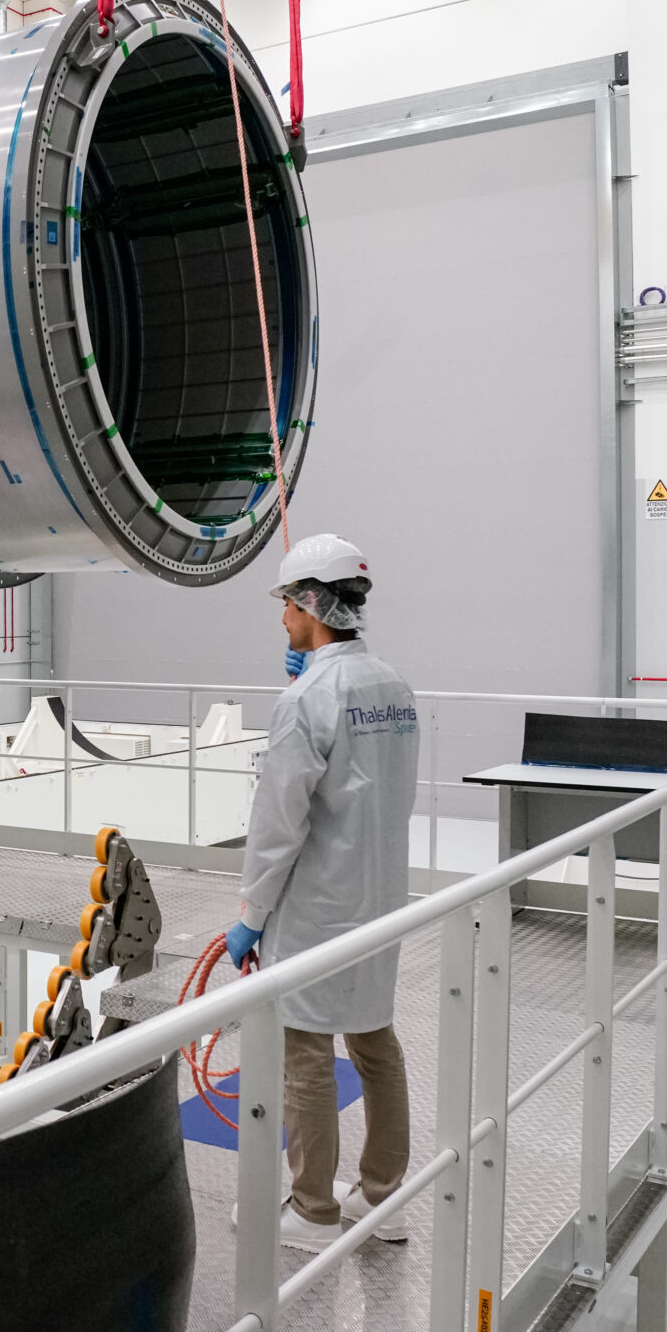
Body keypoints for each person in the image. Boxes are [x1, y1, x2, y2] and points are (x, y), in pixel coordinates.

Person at [229, 533, 420, 1253]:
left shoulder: (307, 698)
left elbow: (277, 823)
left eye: (286, 604)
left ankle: (312, 1210)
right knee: (375, 1040)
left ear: (311, 605)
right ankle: (383, 1199)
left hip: (317, 905)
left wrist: (252, 914)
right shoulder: (392, 686)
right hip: (379, 896)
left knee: (306, 1052)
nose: (281, 617)